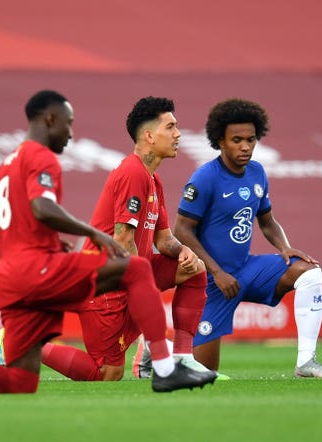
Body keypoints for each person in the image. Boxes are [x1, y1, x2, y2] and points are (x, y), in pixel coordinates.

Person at [0, 90, 218, 395]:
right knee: (110, 362)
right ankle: (163, 364)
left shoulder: (7, 164)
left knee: (19, 383)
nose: (71, 133)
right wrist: (92, 234)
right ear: (50, 119)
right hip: (58, 270)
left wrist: (183, 251)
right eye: (68, 124)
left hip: (12, 275)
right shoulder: (43, 157)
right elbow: (46, 210)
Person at [31, 96, 215, 381]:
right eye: (171, 127)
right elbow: (122, 241)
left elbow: (164, 239)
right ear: (150, 135)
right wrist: (143, 290)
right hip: (104, 280)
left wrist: (182, 252)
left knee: (194, 269)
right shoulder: (132, 173)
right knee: (107, 373)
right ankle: (23, 343)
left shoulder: (153, 179)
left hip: (129, 272)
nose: (178, 134)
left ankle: (182, 357)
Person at [174, 98, 322, 378]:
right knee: (205, 373)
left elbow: (267, 221)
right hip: (214, 283)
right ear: (220, 141)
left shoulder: (257, 173)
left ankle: (306, 362)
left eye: (251, 139)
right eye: (237, 140)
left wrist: (284, 247)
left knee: (310, 272)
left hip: (248, 270)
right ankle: (156, 353)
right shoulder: (205, 178)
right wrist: (217, 272)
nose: (245, 146)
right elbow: (182, 229)